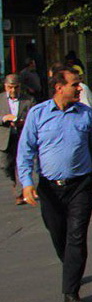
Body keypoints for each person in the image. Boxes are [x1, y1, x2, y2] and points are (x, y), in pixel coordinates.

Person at [17, 68, 92, 302]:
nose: (79, 88)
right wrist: (26, 182)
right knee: (58, 234)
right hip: (50, 188)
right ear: (59, 87)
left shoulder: (85, 115)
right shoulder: (38, 115)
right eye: (75, 84)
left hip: (81, 184)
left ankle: (71, 291)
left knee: (77, 236)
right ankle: (71, 265)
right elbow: (25, 151)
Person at [1, 75, 34, 205]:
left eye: (16, 87)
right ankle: (15, 183)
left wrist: (23, 122)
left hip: (21, 136)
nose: (13, 91)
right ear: (5, 86)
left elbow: (33, 117)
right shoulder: (0, 100)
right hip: (5, 138)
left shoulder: (29, 100)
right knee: (5, 166)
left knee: (21, 164)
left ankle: (21, 192)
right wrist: (4, 118)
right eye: (10, 87)